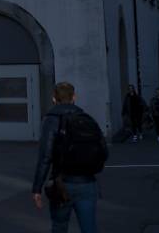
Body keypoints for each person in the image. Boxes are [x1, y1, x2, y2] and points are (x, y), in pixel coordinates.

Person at [32, 82, 107, 233]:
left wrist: (37, 189)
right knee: (89, 228)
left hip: (62, 185)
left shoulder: (51, 120)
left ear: (54, 99)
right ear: (74, 97)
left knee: (59, 227)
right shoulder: (86, 118)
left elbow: (45, 156)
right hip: (87, 183)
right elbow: (103, 151)